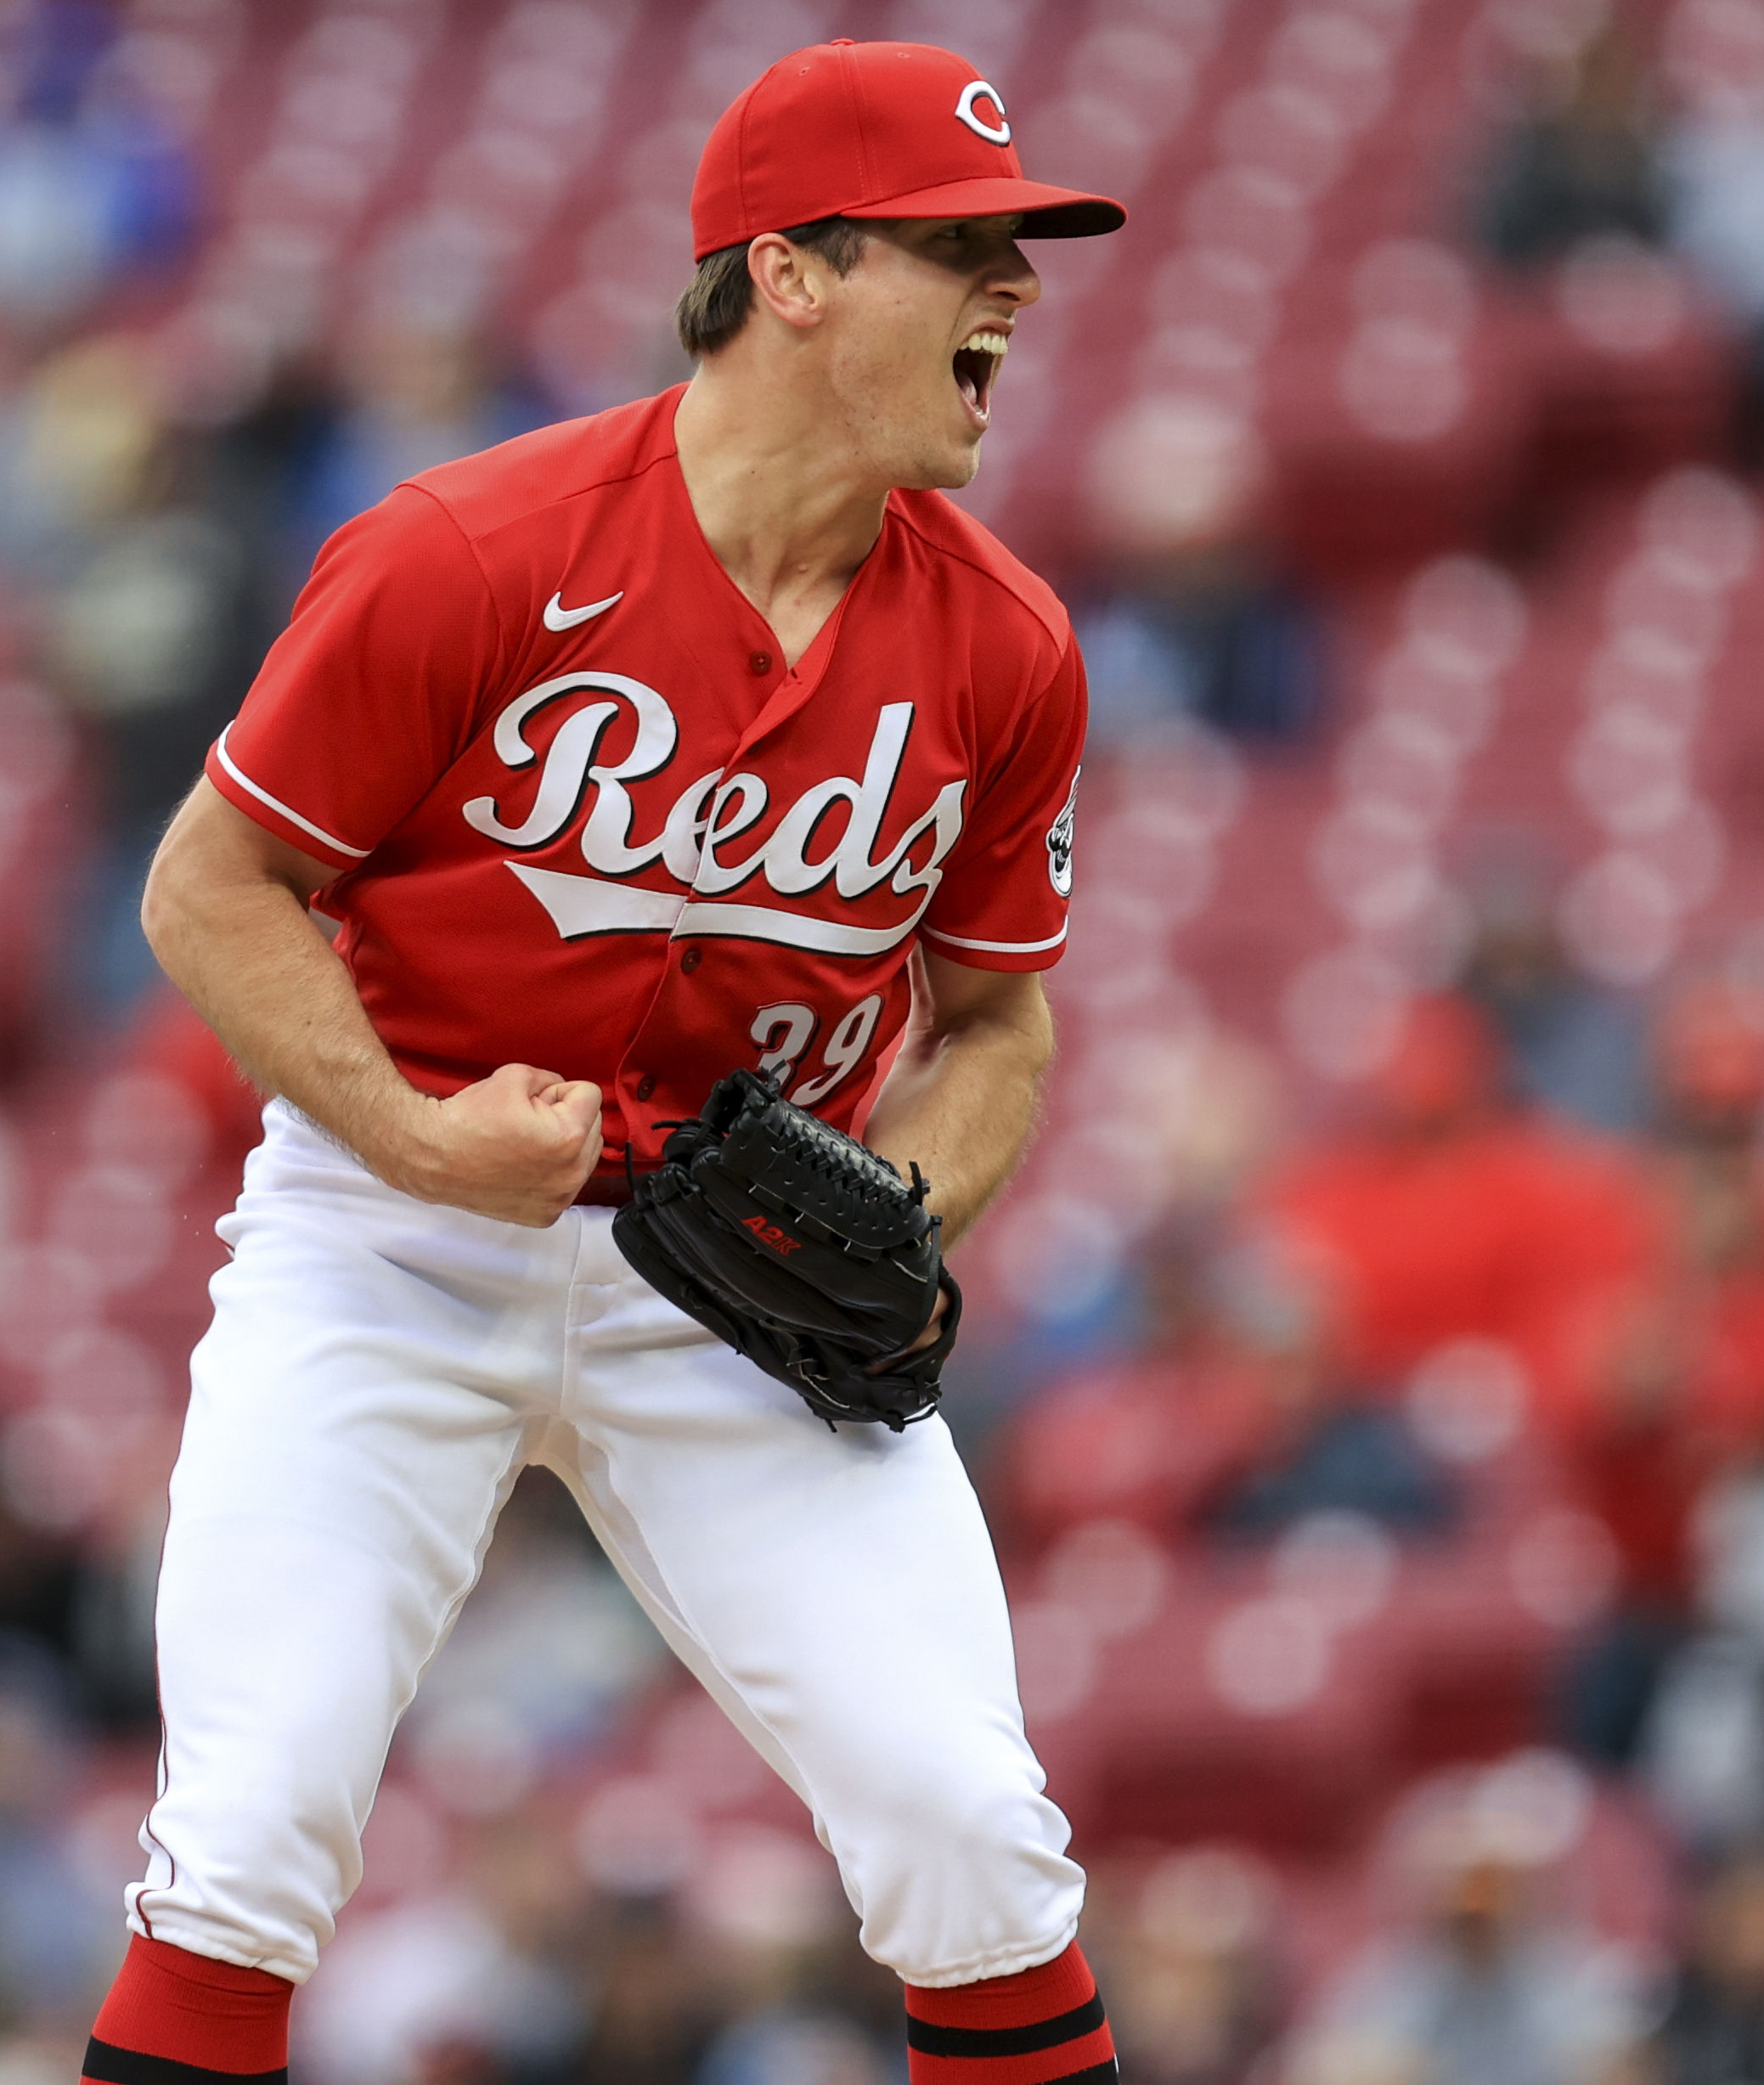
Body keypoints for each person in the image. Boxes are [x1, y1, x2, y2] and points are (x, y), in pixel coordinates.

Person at [91, 39, 1124, 2085]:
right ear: (792, 274)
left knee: (969, 1828)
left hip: (738, 1289)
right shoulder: (470, 550)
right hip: (389, 1239)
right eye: (962, 245)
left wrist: (909, 1199)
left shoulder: (1006, 647)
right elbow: (210, 885)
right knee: (251, 1827)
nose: (1014, 284)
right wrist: (403, 1123)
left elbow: (1000, 1017)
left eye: (1019, 247)